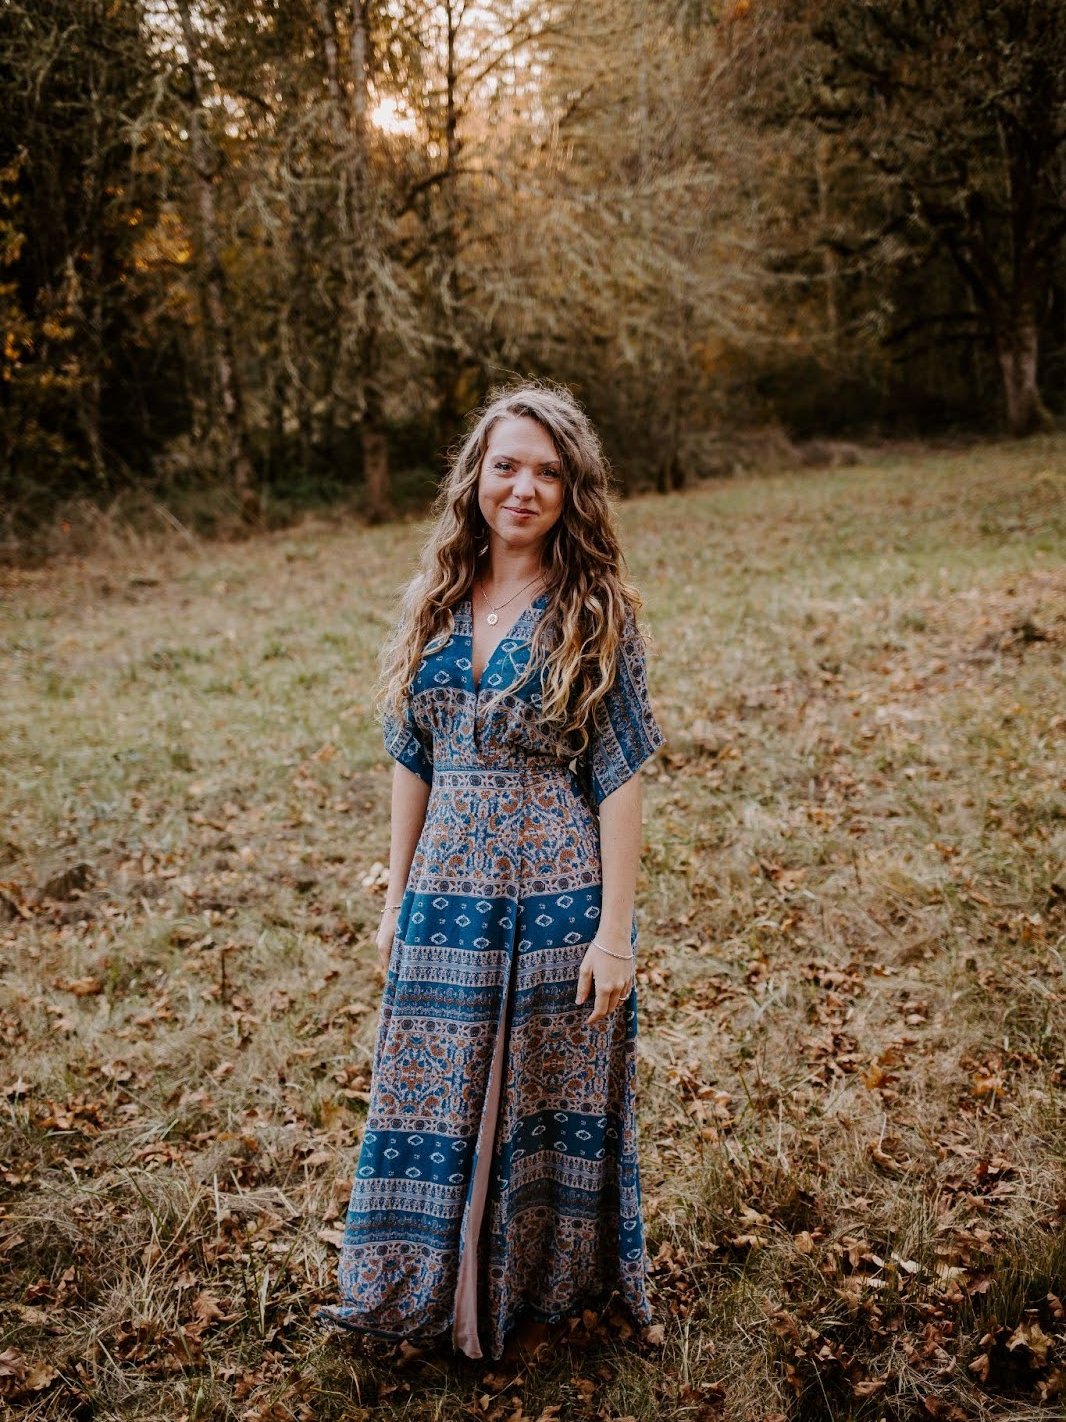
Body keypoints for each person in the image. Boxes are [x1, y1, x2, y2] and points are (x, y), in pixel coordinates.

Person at [314, 382, 665, 1363]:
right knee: (427, 1098)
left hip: (555, 899)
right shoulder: (433, 600)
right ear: (476, 477)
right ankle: (415, 1295)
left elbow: (620, 777)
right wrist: (396, 889)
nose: (524, 488)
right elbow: (408, 757)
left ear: (572, 492)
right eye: (507, 465)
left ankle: (533, 1301)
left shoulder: (596, 612)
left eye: (548, 473)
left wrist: (614, 935)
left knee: (543, 1098)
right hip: (441, 898)